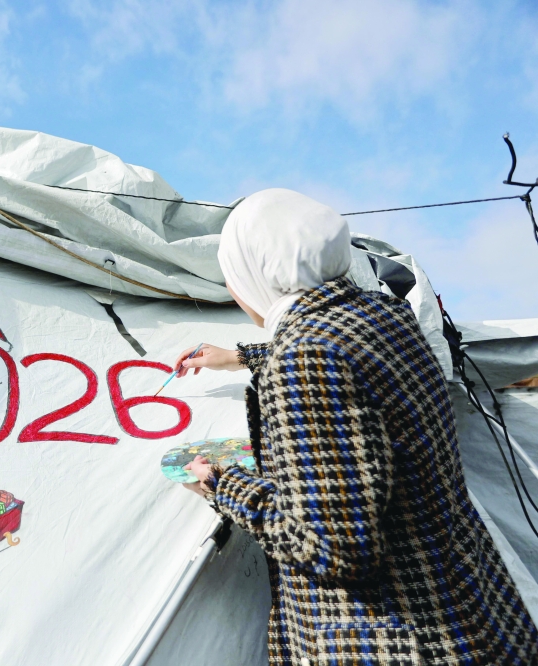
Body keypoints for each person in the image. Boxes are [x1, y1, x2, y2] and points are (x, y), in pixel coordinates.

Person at [174, 188, 538, 665]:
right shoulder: (386, 316)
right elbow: (348, 351)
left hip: (403, 640)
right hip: (473, 607)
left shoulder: (303, 361)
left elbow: (334, 548)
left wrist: (225, 486)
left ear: (253, 272)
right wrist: (241, 356)